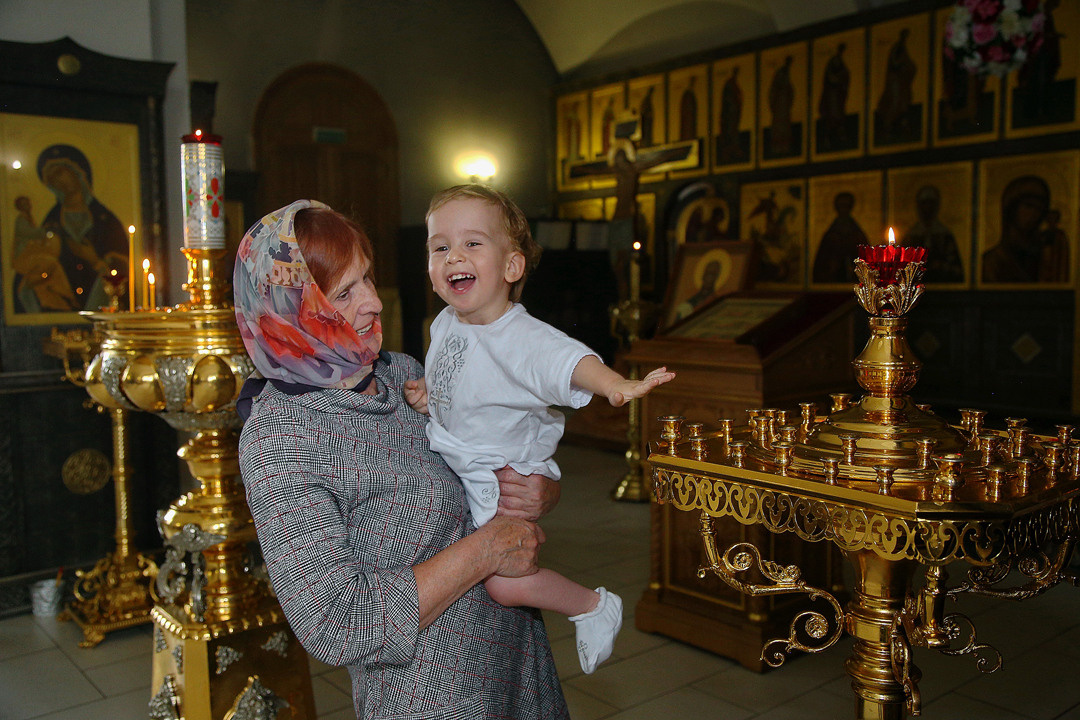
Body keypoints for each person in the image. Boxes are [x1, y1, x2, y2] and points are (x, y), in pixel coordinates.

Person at [235, 199, 569, 719]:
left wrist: (539, 485)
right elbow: (336, 625)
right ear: (290, 311)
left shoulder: (403, 374)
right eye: (345, 293)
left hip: (519, 654)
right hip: (432, 695)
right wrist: (487, 550)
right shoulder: (282, 436)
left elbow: (499, 446)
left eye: (368, 278)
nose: (373, 302)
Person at [404, 185, 675, 674]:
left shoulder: (521, 336)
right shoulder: (446, 323)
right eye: (439, 247)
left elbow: (568, 360)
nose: (452, 257)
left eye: (471, 244)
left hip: (501, 474)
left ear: (511, 267)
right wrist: (432, 396)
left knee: (505, 584)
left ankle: (592, 606)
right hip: (466, 458)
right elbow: (463, 379)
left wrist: (614, 384)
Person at [36, 144, 129, 311]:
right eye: (51, 178)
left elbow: (124, 266)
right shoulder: (52, 221)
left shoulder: (106, 220)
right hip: (63, 300)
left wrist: (94, 259)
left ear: (77, 172)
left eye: (60, 173)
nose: (58, 181)